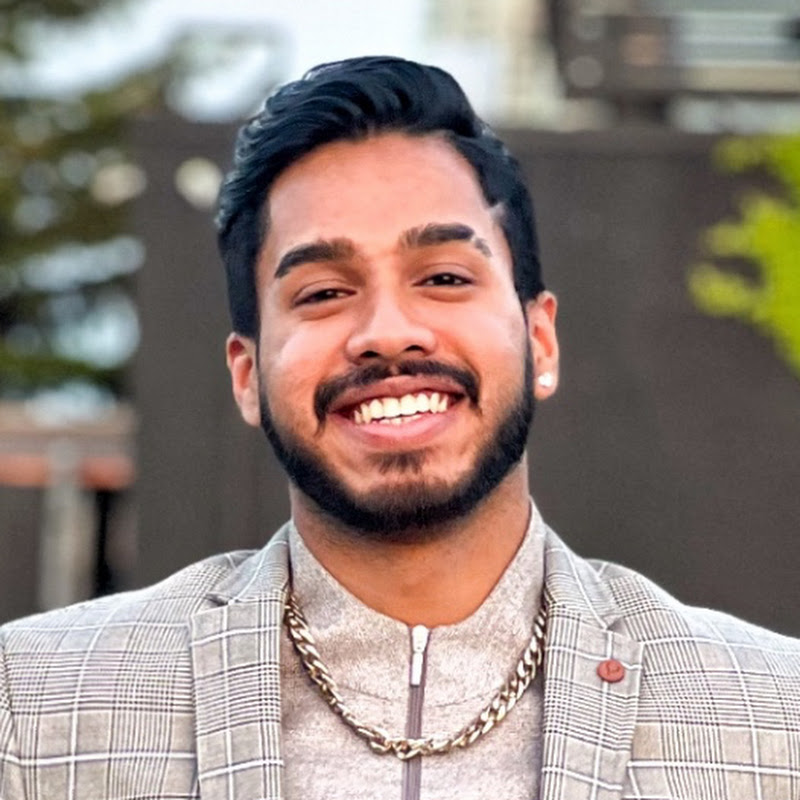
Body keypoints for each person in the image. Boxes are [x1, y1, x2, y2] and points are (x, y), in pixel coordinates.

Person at [1, 56, 798, 800]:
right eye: (323, 292)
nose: (387, 332)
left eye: (444, 277)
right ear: (247, 376)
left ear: (541, 341)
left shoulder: (774, 721)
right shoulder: (33, 708)